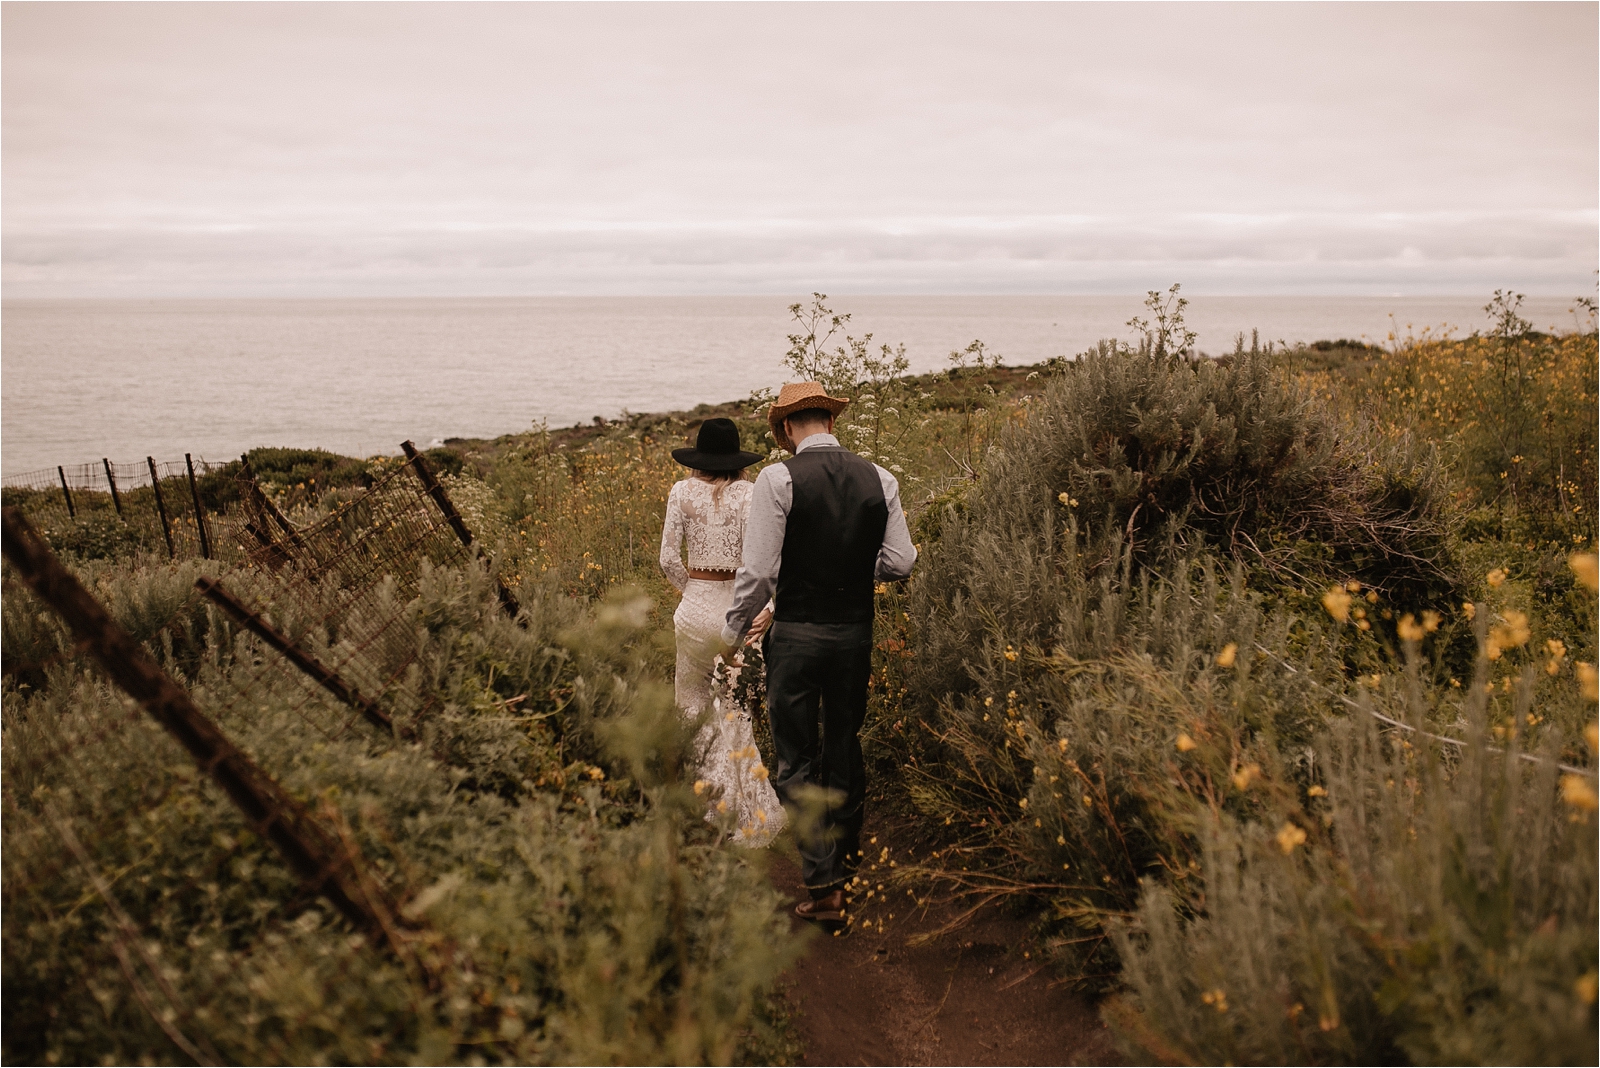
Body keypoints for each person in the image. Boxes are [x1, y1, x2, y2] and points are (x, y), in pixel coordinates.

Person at [721, 382, 916, 926]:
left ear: (786, 429)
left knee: (796, 756)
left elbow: (758, 573)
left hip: (799, 638)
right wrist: (854, 569)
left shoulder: (777, 479)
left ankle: (825, 882)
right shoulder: (881, 478)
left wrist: (734, 631)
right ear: (830, 422)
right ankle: (848, 863)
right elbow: (901, 561)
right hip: (854, 635)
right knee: (844, 746)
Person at [659, 417, 784, 847]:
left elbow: (667, 559)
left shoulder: (680, 492)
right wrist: (767, 606)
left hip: (693, 612)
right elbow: (762, 562)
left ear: (699, 457)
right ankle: (739, 813)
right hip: (739, 614)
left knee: (691, 708)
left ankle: (700, 807)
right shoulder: (749, 495)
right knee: (736, 711)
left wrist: (692, 588)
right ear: (737, 459)